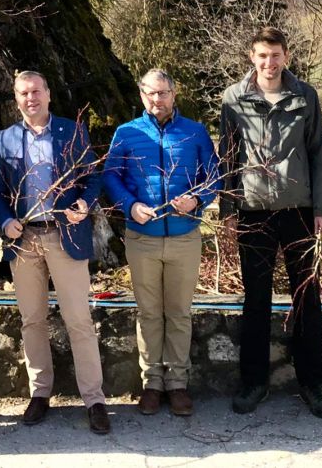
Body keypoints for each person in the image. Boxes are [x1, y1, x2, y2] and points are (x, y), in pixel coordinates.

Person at [219, 27, 322, 418]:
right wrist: (228, 211)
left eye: (275, 55)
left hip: (299, 211)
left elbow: (319, 153)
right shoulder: (234, 99)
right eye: (262, 56)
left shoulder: (306, 96)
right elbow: (228, 158)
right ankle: (254, 383)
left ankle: (312, 384)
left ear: (286, 56)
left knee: (306, 298)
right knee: (255, 301)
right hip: (253, 212)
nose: (269, 63)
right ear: (251, 57)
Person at [0, 71, 110, 434]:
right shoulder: (5, 138)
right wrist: (6, 219)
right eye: (23, 93)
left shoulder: (71, 132)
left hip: (64, 235)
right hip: (24, 240)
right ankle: (40, 393)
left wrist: (85, 205)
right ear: (16, 98)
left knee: (79, 320)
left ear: (48, 94)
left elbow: (93, 177)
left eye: (36, 91)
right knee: (32, 320)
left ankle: (95, 399)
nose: (30, 99)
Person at [103, 69, 220, 416]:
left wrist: (197, 199)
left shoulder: (195, 132)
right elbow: (111, 175)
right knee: (150, 314)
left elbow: (212, 175)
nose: (158, 99)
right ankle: (152, 383)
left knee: (180, 313)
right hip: (142, 238)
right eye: (151, 94)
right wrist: (129, 205)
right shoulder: (126, 134)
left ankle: (178, 384)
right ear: (142, 95)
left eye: (164, 93)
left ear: (174, 93)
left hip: (184, 236)